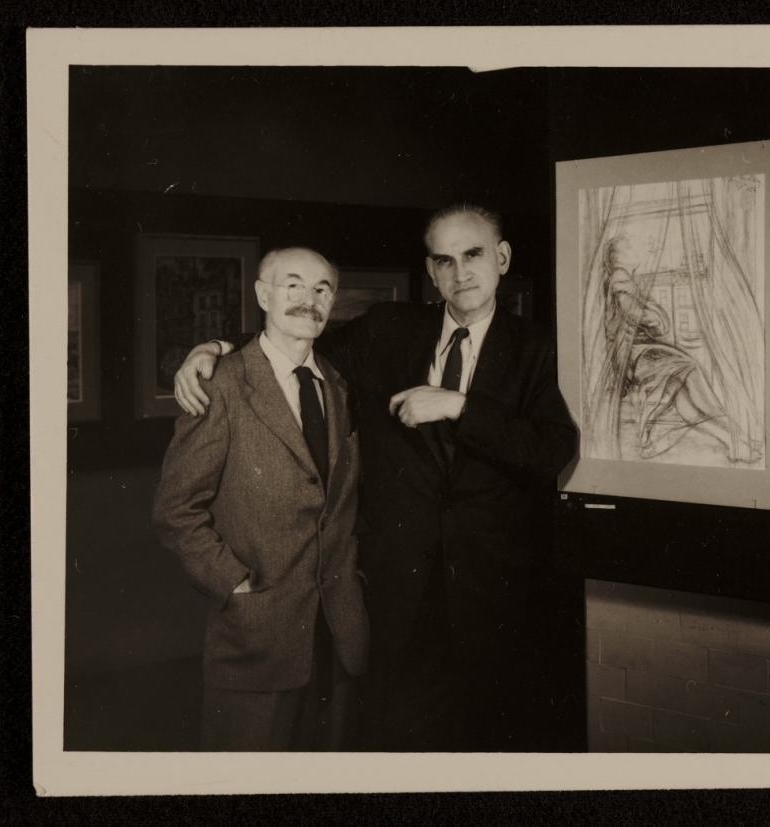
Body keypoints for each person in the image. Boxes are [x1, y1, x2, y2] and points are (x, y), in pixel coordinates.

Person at [173, 204, 578, 751]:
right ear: (431, 272)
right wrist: (217, 347)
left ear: (502, 258)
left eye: (474, 255)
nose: (460, 273)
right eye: (444, 260)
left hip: (495, 601)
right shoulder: (388, 330)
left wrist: (458, 405)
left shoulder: (540, 348)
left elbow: (553, 448)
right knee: (398, 746)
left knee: (492, 747)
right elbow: (293, 338)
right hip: (396, 598)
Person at [153, 247, 368, 751]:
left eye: (322, 289)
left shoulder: (338, 386)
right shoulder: (222, 384)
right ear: (262, 294)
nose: (308, 300)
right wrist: (234, 583)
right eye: (292, 284)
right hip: (256, 635)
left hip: (338, 634)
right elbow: (174, 510)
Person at [600, 233, 742, 460]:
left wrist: (655, 319)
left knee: (683, 400)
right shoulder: (620, 278)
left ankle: (731, 441)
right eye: (630, 247)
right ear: (620, 256)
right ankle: (729, 429)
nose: (637, 250)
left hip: (640, 352)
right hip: (635, 355)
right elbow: (634, 313)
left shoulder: (625, 278)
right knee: (690, 367)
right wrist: (653, 318)